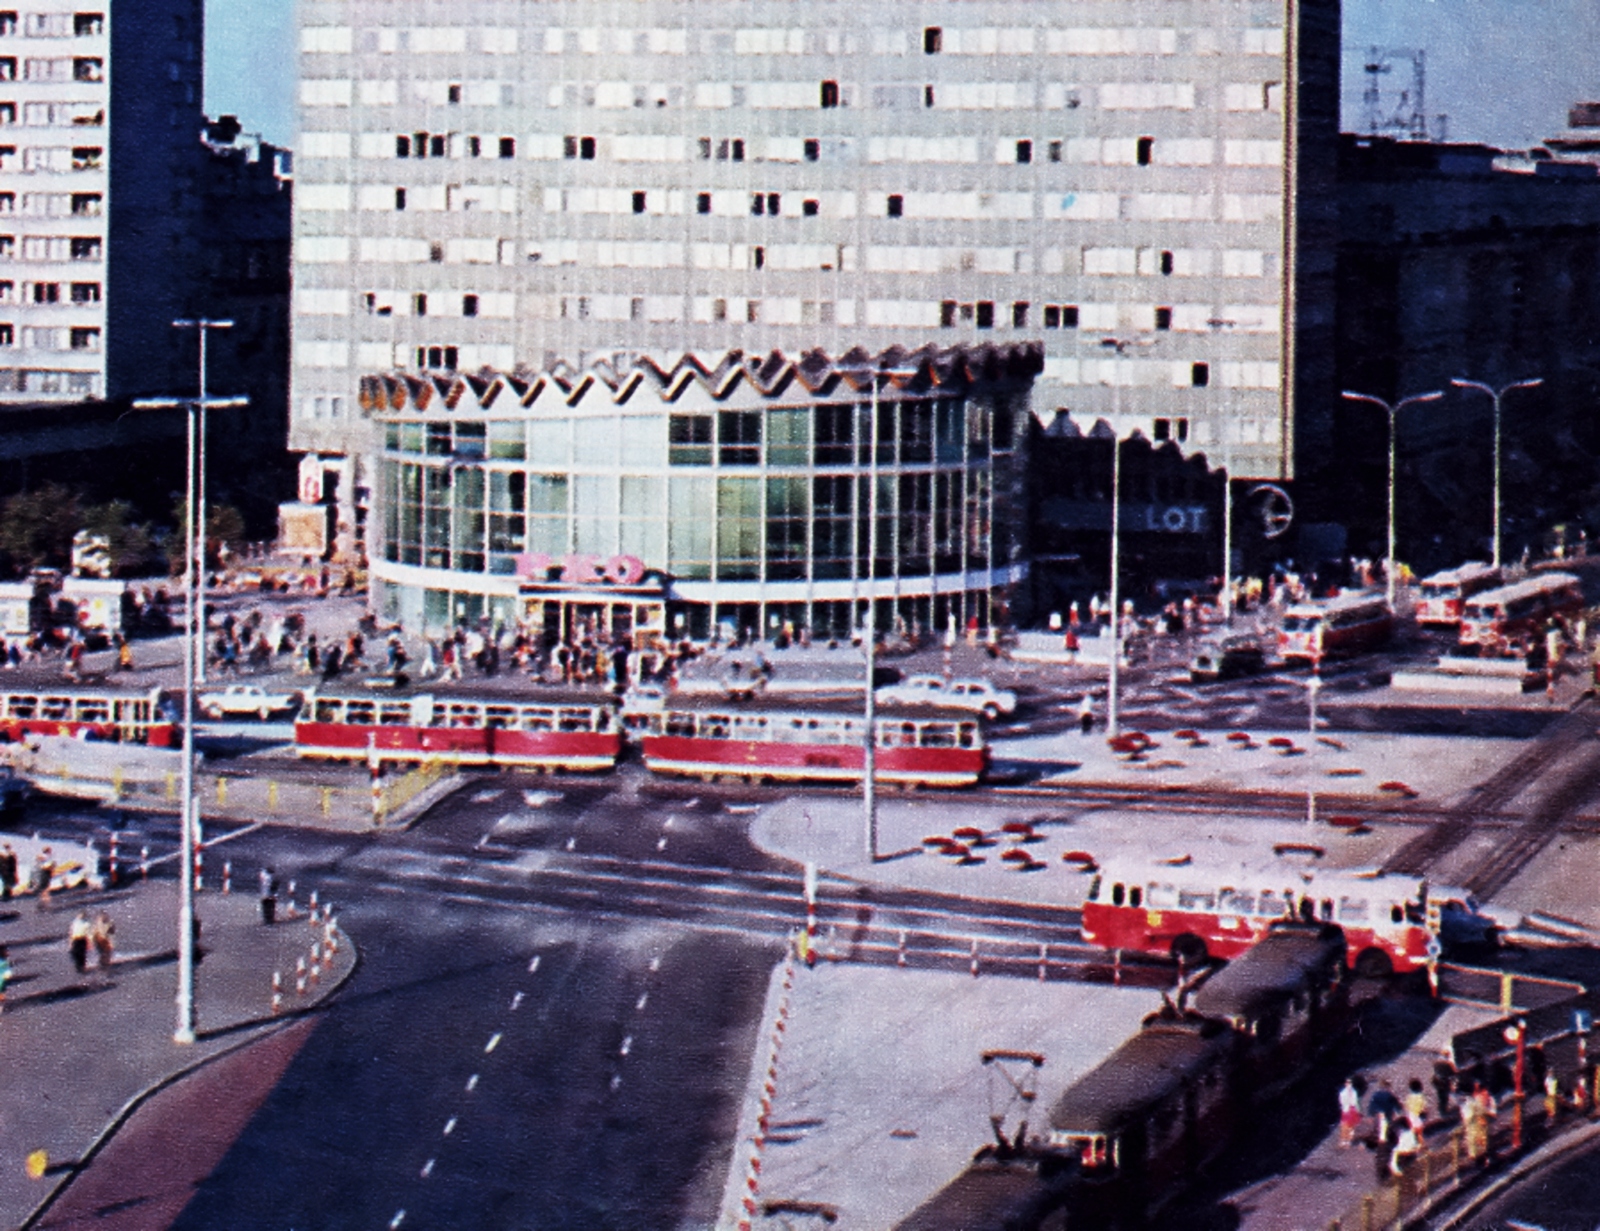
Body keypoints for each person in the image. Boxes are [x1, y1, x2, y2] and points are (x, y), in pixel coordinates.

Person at [1368, 1079, 1402, 1145]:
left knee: (1382, 1126)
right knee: (1388, 1126)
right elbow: (1396, 1104)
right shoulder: (1390, 1095)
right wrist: (1398, 1111)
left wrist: (1371, 1115)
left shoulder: (1376, 1095)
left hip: (1380, 1113)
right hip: (1388, 1112)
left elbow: (1372, 1104)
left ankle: (1382, 1140)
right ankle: (1388, 1140)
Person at [1338, 1077, 1363, 1147]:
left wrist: (1358, 1110)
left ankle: (1348, 1140)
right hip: (1346, 1110)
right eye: (1348, 1083)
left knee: (1352, 1125)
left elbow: (1356, 1102)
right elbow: (1341, 1102)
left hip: (1353, 1110)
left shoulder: (1354, 1092)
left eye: (1350, 1083)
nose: (1349, 1084)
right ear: (1345, 1084)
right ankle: (1343, 1140)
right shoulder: (1343, 1093)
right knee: (1344, 1125)